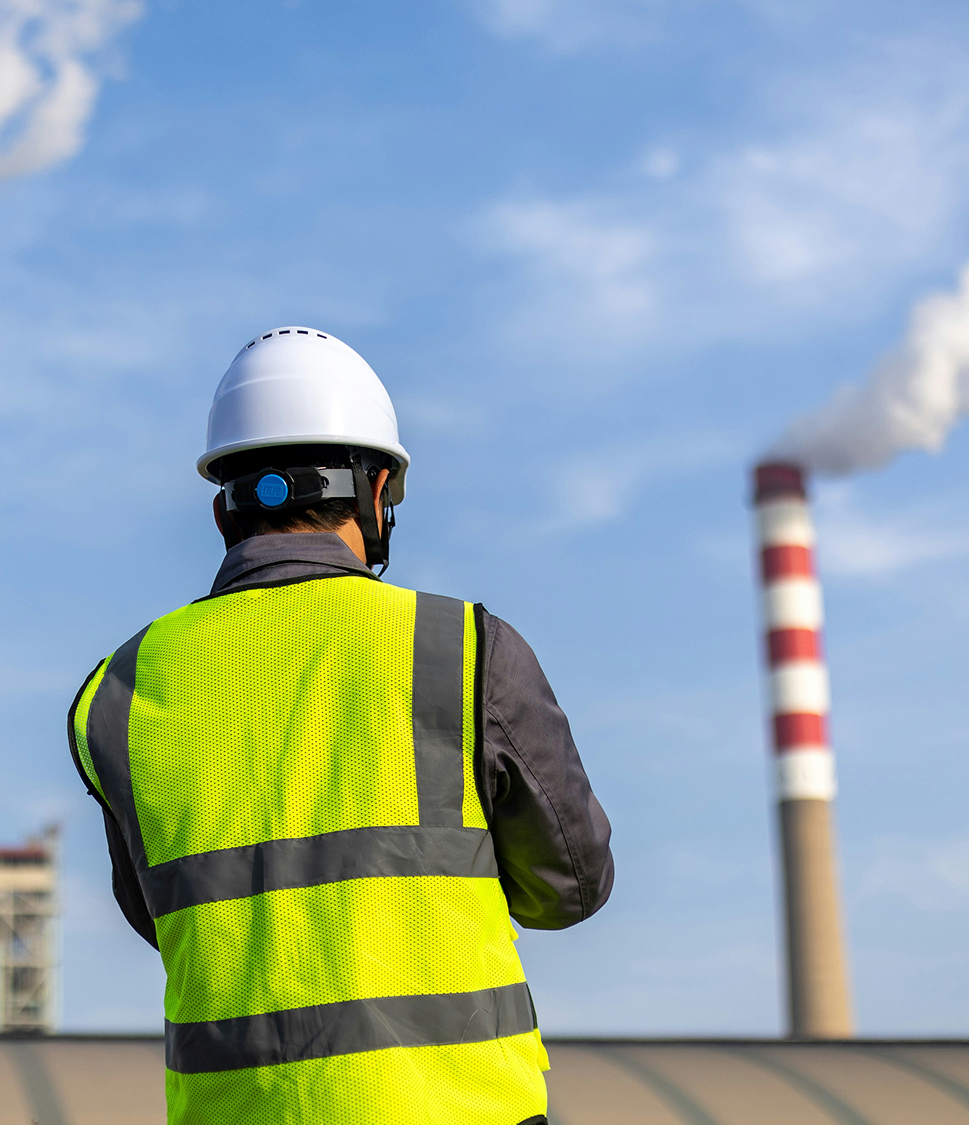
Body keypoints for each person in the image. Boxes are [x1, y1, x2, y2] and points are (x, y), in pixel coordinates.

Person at [69, 327, 613, 1124]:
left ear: (223, 502)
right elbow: (570, 886)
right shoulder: (460, 646)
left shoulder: (122, 687)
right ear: (379, 486)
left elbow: (165, 918)